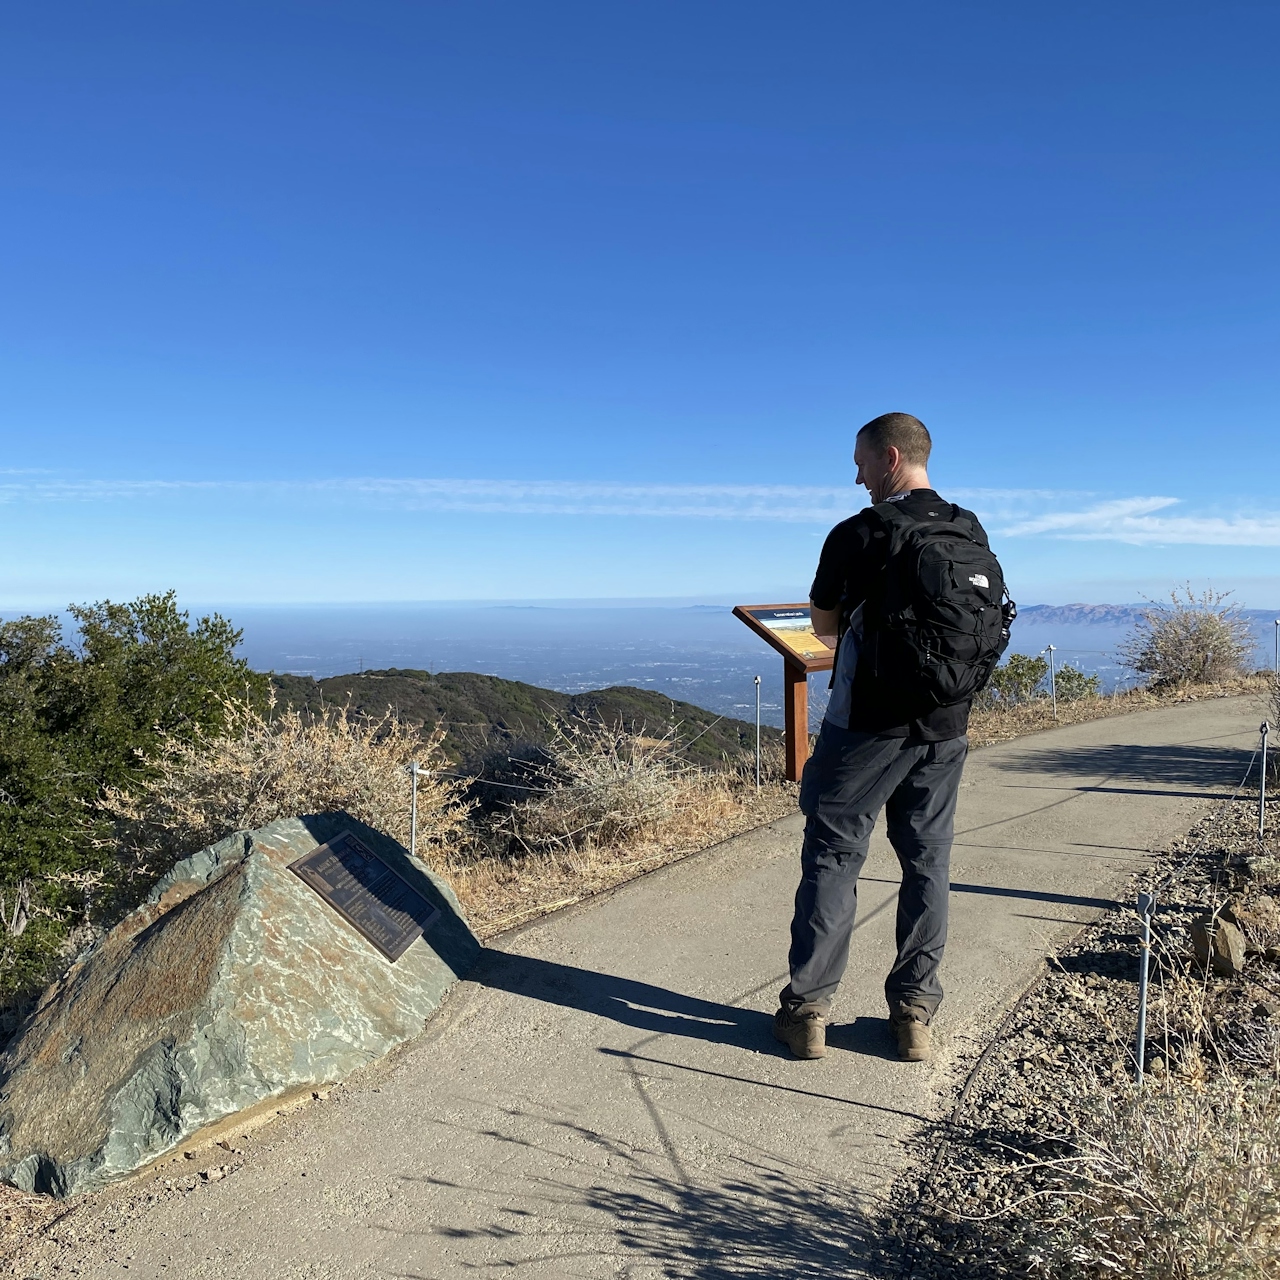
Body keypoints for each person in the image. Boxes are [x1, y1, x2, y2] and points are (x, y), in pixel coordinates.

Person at [773, 412, 1001, 1063]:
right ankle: (913, 1018)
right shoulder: (968, 527)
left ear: (890, 457)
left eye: (861, 462)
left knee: (833, 858)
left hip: (865, 729)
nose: (856, 475)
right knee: (928, 863)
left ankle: (808, 1012)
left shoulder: (860, 533)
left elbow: (823, 628)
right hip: (946, 727)